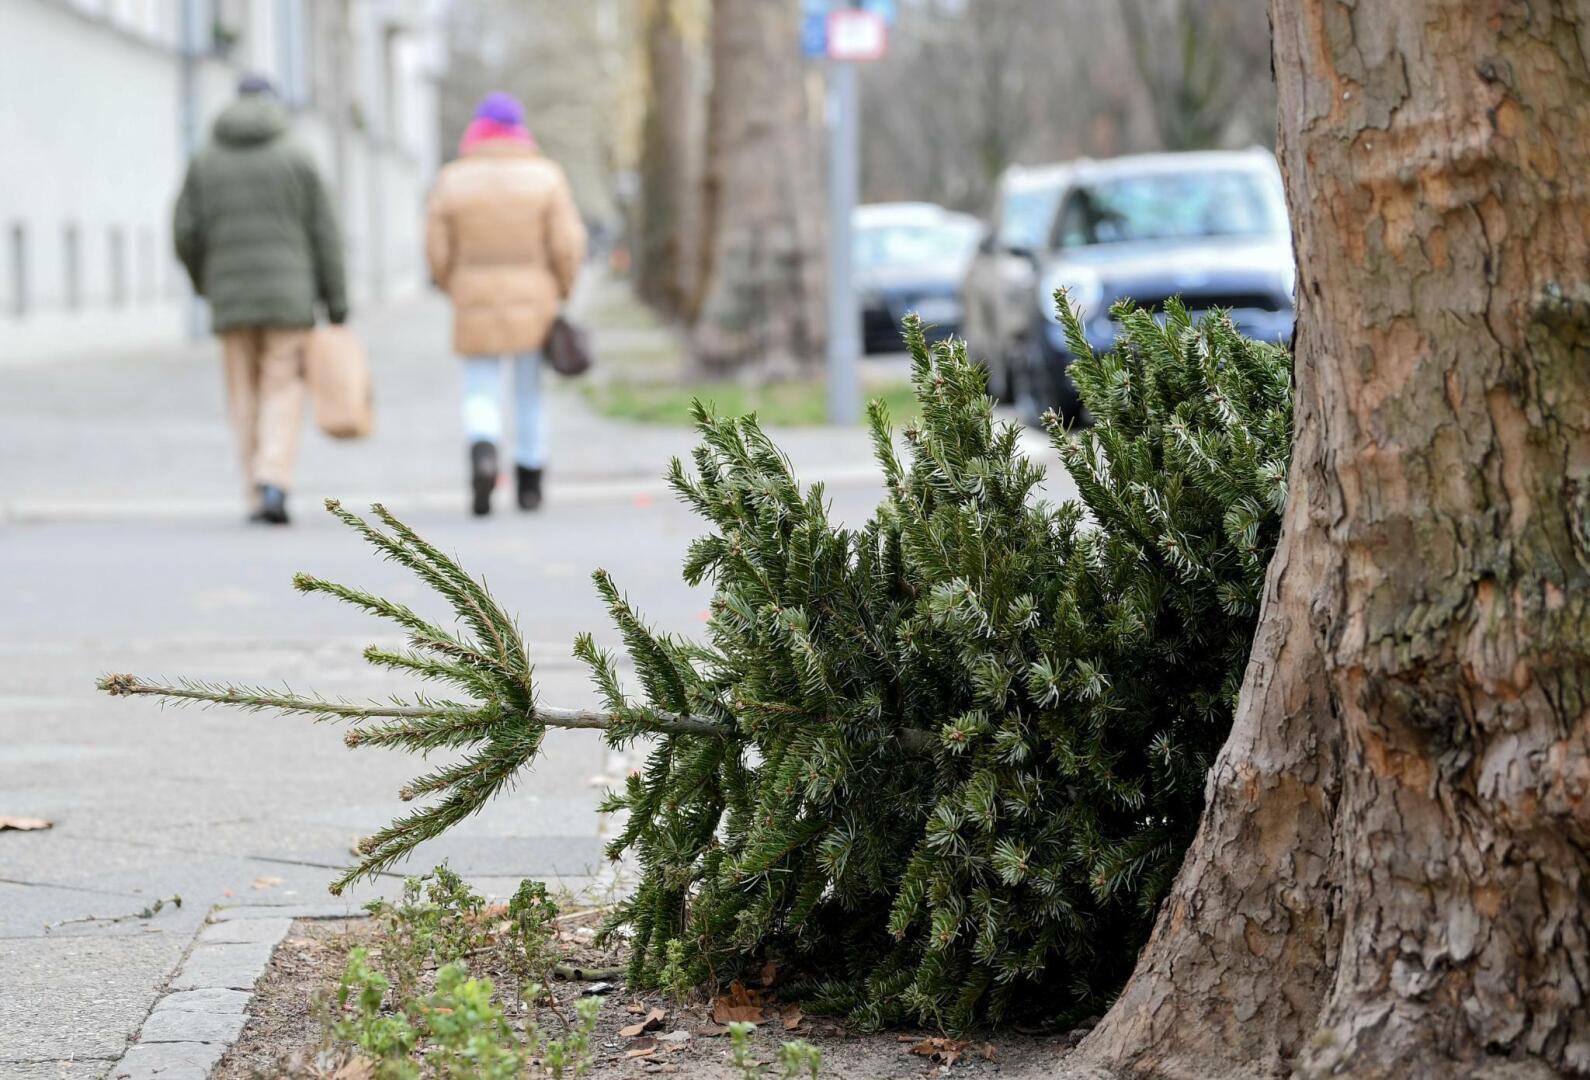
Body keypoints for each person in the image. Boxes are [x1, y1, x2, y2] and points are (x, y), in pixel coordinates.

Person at [174, 75, 348, 526]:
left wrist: (205, 283)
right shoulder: (297, 156)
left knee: (242, 393)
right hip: (289, 300)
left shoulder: (205, 159)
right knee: (282, 387)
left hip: (230, 299)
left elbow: (185, 232)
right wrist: (337, 299)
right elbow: (325, 234)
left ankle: (254, 492)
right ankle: (274, 478)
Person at [425, 92, 586, 516]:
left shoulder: (452, 178)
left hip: (473, 295)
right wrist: (563, 288)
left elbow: (436, 248)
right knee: (530, 391)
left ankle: (483, 451)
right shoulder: (546, 176)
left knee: (480, 386)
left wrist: (451, 284)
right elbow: (567, 244)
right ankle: (529, 482)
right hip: (535, 296)